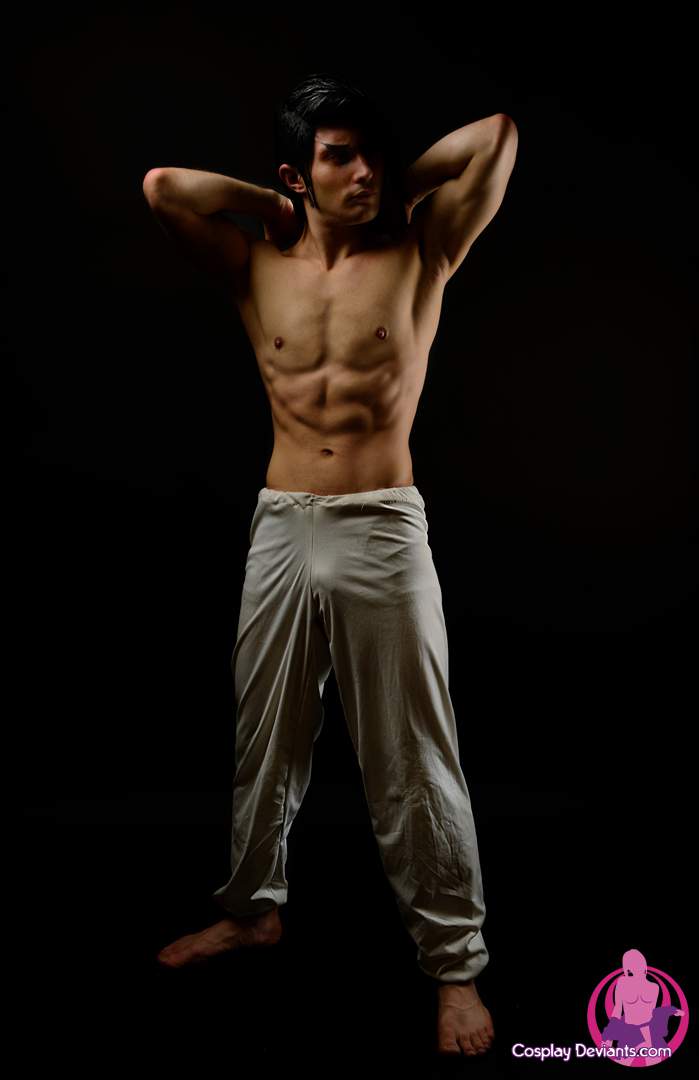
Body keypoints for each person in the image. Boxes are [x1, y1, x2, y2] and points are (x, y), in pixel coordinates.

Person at [143, 72, 517, 1058]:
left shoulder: (422, 248)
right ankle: (251, 911)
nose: (364, 171)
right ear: (294, 175)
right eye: (338, 157)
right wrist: (275, 207)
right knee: (264, 739)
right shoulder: (255, 261)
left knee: (412, 754)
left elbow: (496, 136)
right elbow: (163, 188)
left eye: (371, 154)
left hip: (381, 524)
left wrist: (391, 188)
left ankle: (455, 965)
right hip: (280, 523)